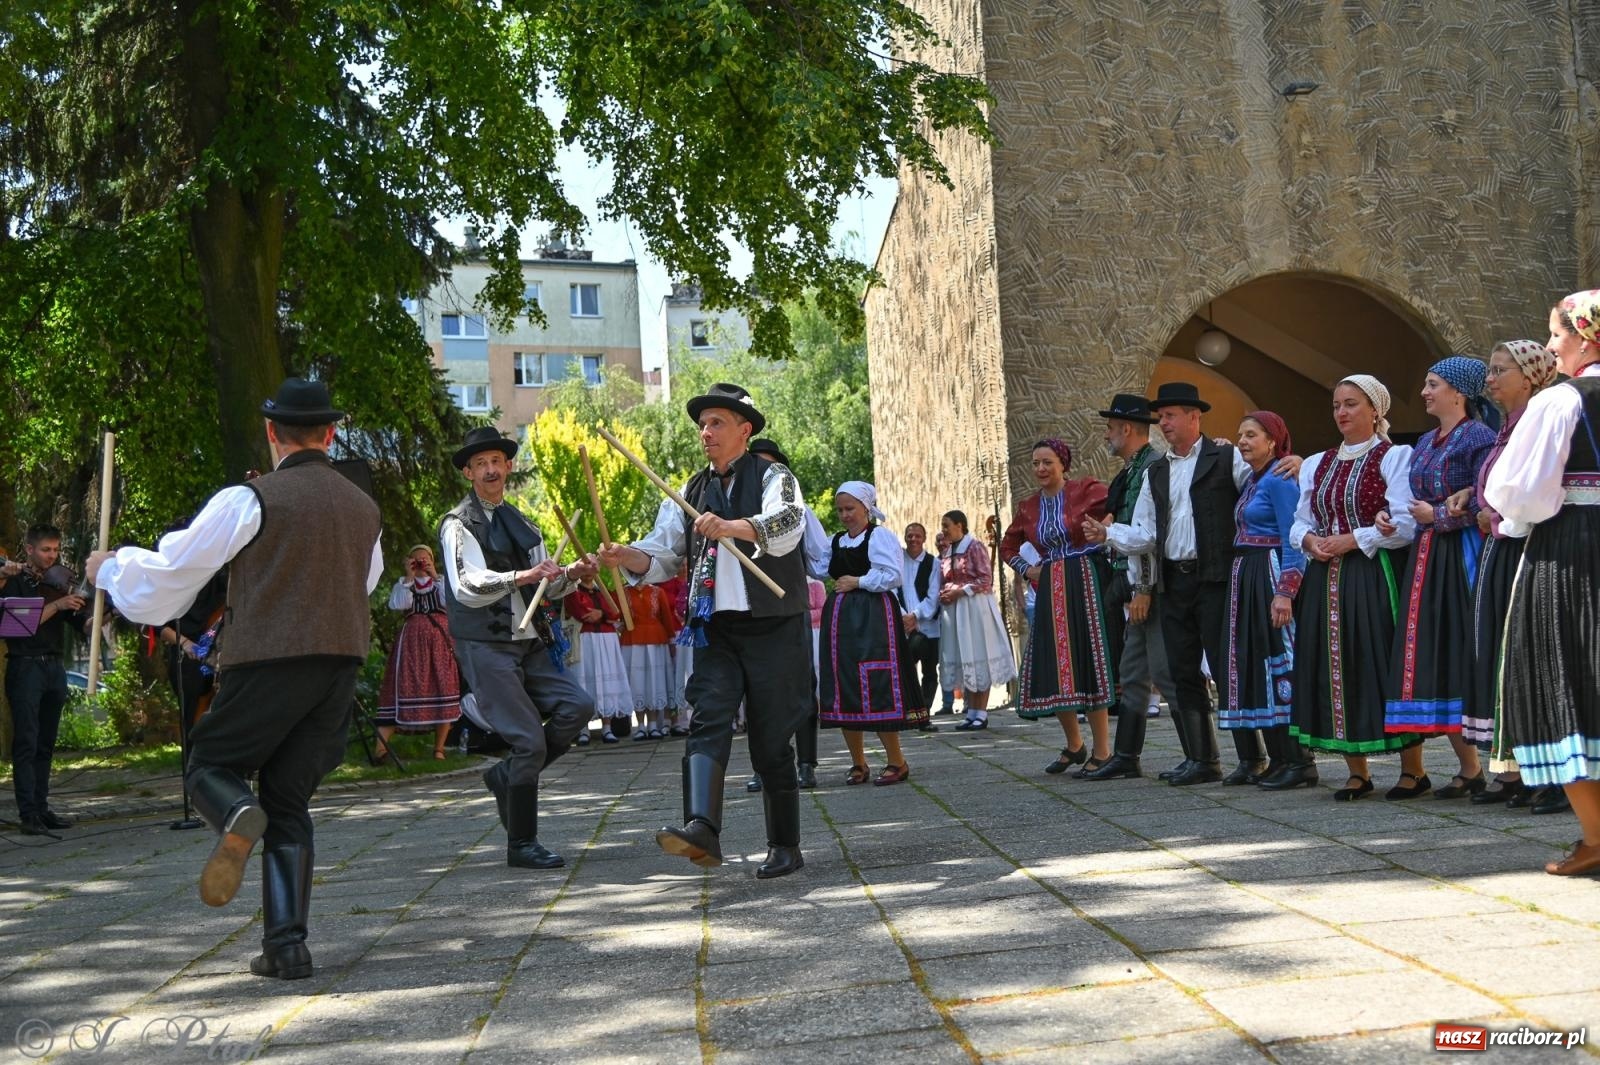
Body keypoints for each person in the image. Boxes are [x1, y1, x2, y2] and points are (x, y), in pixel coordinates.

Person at [88, 378, 383, 981]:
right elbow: (364, 582)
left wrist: (111, 567)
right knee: (290, 799)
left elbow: (174, 572)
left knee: (209, 765)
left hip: (269, 659)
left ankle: (235, 813)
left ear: (272, 434)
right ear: (330, 434)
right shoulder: (365, 508)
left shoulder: (251, 500)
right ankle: (286, 948)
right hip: (340, 664)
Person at [598, 383, 813, 880]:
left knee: (770, 738)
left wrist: (733, 526)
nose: (706, 431)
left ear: (745, 429)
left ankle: (785, 844)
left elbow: (788, 525)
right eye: (703, 423)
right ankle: (702, 828)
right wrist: (624, 556)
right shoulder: (689, 491)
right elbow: (663, 555)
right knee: (707, 718)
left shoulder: (774, 475)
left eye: (716, 422)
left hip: (774, 627)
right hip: (717, 630)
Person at [1085, 382, 1293, 786]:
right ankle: (1202, 759)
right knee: (1182, 672)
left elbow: (1263, 477)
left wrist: (1295, 461)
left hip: (1216, 578)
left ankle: (1253, 758)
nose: (1163, 422)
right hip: (1173, 581)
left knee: (1227, 668)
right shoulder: (1156, 471)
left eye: (1170, 415)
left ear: (1194, 417)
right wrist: (1109, 535)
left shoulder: (1225, 456)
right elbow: (1145, 532)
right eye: (1161, 416)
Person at [438, 425, 598, 871]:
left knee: (579, 706)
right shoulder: (456, 526)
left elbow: (547, 585)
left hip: (529, 642)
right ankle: (521, 844)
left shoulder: (523, 524)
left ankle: (507, 776)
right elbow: (467, 585)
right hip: (485, 645)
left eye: (497, 461)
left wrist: (576, 574)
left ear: (508, 467)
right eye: (481, 464)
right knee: (528, 739)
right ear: (469, 473)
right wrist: (520, 579)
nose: (490, 469)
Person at [1486, 289, 1600, 875]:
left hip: (1573, 549)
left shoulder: (1562, 401)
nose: (1552, 347)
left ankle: (1596, 838)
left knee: (1567, 678)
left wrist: (1515, 520)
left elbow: (1516, 490)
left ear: (1585, 336)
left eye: (1557, 335)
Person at [1286, 375, 1420, 800]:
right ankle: (1357, 771)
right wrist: (1308, 541)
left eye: (1351, 404)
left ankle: (1413, 770)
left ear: (1375, 410)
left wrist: (1355, 538)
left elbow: (1403, 524)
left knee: (1379, 660)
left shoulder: (1394, 456)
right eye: (1337, 406)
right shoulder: (1316, 463)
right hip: (1324, 576)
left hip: (1373, 572)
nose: (1342, 413)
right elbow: (1300, 520)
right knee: (1332, 665)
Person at [1381, 357, 1497, 798]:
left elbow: (1488, 498)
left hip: (1462, 554)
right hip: (1427, 556)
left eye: (1433, 385)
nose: (1425, 392)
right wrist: (1393, 517)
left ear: (1458, 392)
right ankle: (1469, 767)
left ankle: (1500, 767)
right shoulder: (1428, 439)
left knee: (1464, 647)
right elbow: (1415, 497)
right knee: (1436, 653)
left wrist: (1441, 516)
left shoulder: (1480, 438)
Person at [1454, 341, 1560, 810]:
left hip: (1524, 546)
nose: (1491, 380)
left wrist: (1491, 514)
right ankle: (1511, 768)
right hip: (1501, 547)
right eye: (1491, 372)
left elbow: (1536, 487)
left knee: (1522, 654)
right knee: (1497, 653)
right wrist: (1471, 496)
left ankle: (1540, 771)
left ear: (1530, 375)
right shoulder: (1505, 429)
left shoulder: (1538, 421)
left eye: (1501, 371)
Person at [1001, 438, 1116, 776]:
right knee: (1055, 664)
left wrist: (1107, 530)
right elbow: (1008, 545)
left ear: (1063, 464)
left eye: (1047, 462)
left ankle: (1104, 750)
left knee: (1085, 659)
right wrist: (1026, 568)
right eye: (1036, 463)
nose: (1040, 469)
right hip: (1050, 584)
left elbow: (1122, 502)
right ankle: (1075, 745)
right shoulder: (1028, 507)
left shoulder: (1087, 490)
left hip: (1083, 579)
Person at [1084, 395, 1177, 781]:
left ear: (1126, 428)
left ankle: (1203, 757)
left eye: (1110, 427)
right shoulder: (1132, 469)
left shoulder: (1154, 466)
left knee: (1167, 671)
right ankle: (1126, 755)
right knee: (1133, 667)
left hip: (1151, 580)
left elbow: (1153, 534)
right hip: (1135, 577)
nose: (1107, 434)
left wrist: (1144, 587)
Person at [1220, 412, 1313, 789]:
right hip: (1247, 573)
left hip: (1270, 571)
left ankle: (1300, 761)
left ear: (1273, 441)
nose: (1242, 441)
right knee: (1259, 664)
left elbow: (1295, 537)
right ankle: (1278, 758)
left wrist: (1285, 591)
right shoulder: (1253, 481)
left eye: (1251, 435)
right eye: (1239, 434)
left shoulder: (1279, 478)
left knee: (1282, 662)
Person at [816, 482, 930, 784]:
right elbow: (818, 568)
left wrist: (858, 581)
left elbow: (893, 575)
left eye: (850, 508)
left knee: (879, 682)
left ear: (866, 508)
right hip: (840, 619)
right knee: (845, 685)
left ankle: (897, 761)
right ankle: (858, 763)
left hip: (875, 617)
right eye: (840, 509)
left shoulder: (879, 536)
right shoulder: (836, 541)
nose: (844, 515)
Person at [744, 437, 824, 790]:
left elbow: (821, 558)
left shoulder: (799, 512)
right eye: (756, 464)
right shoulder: (736, 510)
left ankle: (806, 764)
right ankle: (764, 767)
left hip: (790, 606)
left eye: (769, 465)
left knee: (801, 686)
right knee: (756, 691)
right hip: (752, 610)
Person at [2, 526, 91, 835]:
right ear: (29, 550)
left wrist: (110, 607)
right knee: (26, 741)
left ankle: (42, 807)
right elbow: (17, 626)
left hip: (54, 669)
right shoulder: (11, 581)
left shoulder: (57, 583)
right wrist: (57, 605)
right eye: (46, 550)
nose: (52, 556)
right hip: (25, 668)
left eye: (55, 550)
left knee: (46, 743)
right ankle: (28, 814)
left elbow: (85, 624)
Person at [375, 545, 461, 760]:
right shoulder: (405, 584)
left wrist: (435, 576)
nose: (421, 562)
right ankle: (381, 750)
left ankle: (439, 749)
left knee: (444, 687)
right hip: (411, 646)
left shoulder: (441, 582)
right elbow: (398, 605)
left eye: (426, 559)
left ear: (432, 560)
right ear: (409, 561)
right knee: (403, 686)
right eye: (417, 559)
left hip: (439, 643)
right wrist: (409, 576)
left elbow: (451, 604)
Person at [939, 510, 1017, 731]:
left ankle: (981, 713)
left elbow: (985, 579)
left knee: (979, 654)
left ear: (960, 525)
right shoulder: (947, 550)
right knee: (966, 656)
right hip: (956, 611)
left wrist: (960, 592)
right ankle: (971, 712)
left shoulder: (974, 547)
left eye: (947, 525)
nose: (943, 530)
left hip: (975, 608)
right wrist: (944, 594)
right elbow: (944, 579)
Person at [568, 575, 634, 739]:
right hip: (585, 639)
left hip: (607, 639)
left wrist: (602, 614)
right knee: (585, 680)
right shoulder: (573, 591)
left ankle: (607, 727)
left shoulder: (603, 592)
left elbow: (616, 613)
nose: (590, 572)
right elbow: (580, 612)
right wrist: (605, 615)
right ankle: (583, 729)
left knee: (607, 683)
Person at [621, 580, 681, 738]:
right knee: (637, 682)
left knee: (655, 681)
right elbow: (615, 614)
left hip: (656, 641)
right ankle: (640, 725)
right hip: (632, 641)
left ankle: (653, 724)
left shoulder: (657, 591)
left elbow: (666, 617)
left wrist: (671, 639)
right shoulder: (622, 591)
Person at [898, 522, 942, 733]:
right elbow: (890, 589)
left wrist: (915, 615)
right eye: (909, 536)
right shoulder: (898, 560)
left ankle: (924, 714)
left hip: (928, 626)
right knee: (906, 670)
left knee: (930, 671)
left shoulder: (933, 563)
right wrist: (903, 617)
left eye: (917, 536)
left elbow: (933, 596)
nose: (913, 539)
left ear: (924, 538)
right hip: (903, 626)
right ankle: (909, 713)